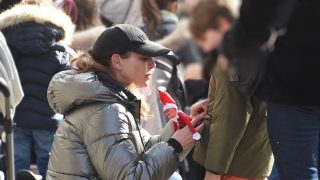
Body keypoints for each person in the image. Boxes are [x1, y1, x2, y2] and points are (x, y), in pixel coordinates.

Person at [46, 24, 205, 180]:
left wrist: (184, 125)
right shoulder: (105, 109)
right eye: (144, 58)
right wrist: (176, 145)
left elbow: (143, 148)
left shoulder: (109, 98)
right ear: (117, 61)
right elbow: (130, 177)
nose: (153, 64)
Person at [219, 0, 320, 179]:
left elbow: (258, 17)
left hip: (296, 88)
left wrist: (230, 48)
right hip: (297, 89)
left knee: (299, 173)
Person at [189, 1, 274, 179]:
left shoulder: (228, 62)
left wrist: (213, 171)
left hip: (234, 166)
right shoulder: (254, 49)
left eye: (205, 38)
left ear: (221, 24)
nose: (205, 48)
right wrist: (212, 101)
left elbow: (230, 117)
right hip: (254, 160)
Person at [0, 0, 74, 178]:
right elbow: (66, 86)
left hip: (15, 117)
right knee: (49, 165)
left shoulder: (6, 47)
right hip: (47, 118)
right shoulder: (60, 49)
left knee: (15, 164)